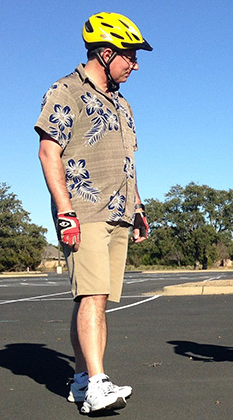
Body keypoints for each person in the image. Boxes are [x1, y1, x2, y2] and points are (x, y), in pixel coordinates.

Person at [36, 12, 152, 414]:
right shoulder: (65, 90)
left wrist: (137, 206)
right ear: (106, 53)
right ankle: (98, 384)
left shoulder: (122, 105)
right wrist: (65, 210)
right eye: (130, 56)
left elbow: (127, 159)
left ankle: (83, 379)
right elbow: (49, 151)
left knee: (95, 299)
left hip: (119, 211)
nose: (134, 65)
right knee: (93, 294)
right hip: (84, 210)